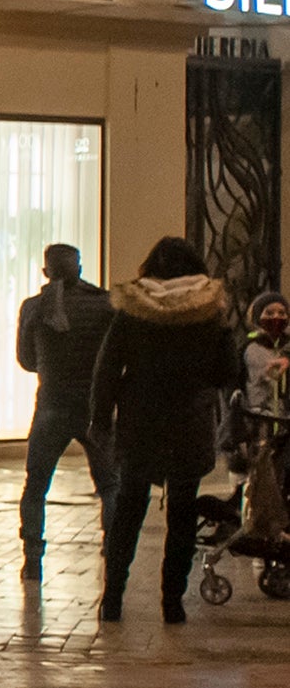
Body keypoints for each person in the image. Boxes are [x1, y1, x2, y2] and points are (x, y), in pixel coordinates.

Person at [89, 237, 242, 625]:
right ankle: (172, 602)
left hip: (140, 421)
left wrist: (101, 417)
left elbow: (107, 368)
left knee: (129, 508)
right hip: (188, 421)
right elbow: (227, 373)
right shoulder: (208, 312)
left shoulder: (132, 311)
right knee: (182, 514)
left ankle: (113, 598)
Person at [15, 242, 115, 580]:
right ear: (81, 268)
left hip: (52, 405)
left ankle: (32, 557)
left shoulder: (34, 308)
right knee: (109, 484)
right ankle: (113, 547)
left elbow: (27, 360)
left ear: (46, 271)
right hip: (93, 405)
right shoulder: (105, 305)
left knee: (36, 484)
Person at [240, 295, 290, 555]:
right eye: (269, 312)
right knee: (264, 479)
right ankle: (266, 529)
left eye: (281, 312)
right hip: (261, 423)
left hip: (284, 423)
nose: (276, 318)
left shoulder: (287, 348)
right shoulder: (251, 349)